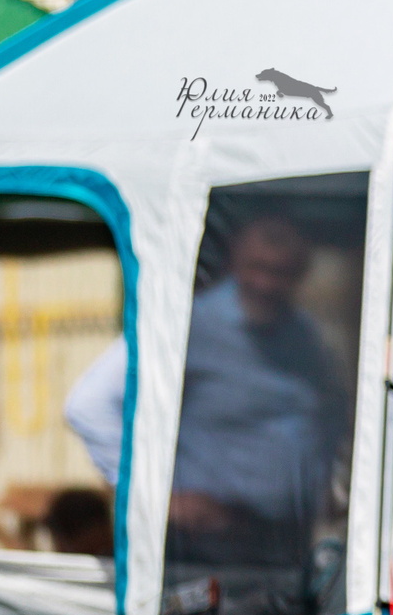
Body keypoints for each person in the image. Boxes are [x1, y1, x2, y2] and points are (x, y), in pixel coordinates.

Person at [64, 210, 345, 564]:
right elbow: (88, 406)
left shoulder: (303, 334)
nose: (268, 284)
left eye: (283, 273)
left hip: (285, 541)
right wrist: (157, 497)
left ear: (301, 272)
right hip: (208, 546)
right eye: (259, 268)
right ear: (234, 261)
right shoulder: (187, 323)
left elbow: (322, 418)